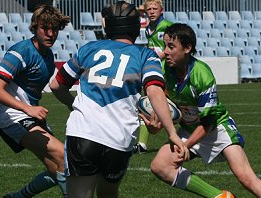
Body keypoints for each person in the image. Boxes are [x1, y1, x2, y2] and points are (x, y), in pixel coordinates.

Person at [49, 1, 189, 198]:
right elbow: (155, 92)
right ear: (134, 27)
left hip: (83, 134)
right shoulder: (145, 55)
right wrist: (172, 133)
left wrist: (73, 106)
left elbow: (56, 85)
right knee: (108, 193)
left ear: (107, 25)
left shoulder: (89, 48)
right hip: (119, 139)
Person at [142, 23, 261, 198]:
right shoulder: (162, 70)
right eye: (165, 46)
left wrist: (186, 145)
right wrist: (155, 126)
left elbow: (208, 124)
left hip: (217, 128)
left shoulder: (202, 74)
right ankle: (220, 197)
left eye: (171, 46)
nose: (166, 52)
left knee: (246, 178)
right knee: (160, 166)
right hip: (189, 128)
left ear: (187, 48)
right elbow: (163, 110)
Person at [0, 5, 70, 197]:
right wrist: (28, 109)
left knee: (57, 168)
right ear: (35, 27)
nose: (51, 34)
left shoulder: (48, 56)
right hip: (10, 116)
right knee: (63, 156)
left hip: (28, 114)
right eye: (46, 28)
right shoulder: (20, 52)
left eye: (55, 29)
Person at [134, 0, 174, 154]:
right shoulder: (148, 28)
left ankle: (180, 138)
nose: (151, 11)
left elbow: (170, 48)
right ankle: (141, 144)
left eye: (154, 9)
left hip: (166, 73)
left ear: (161, 10)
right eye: (148, 9)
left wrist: (158, 56)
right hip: (154, 72)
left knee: (170, 108)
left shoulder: (167, 27)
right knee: (148, 106)